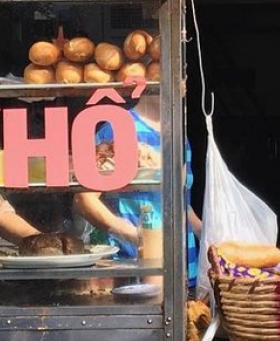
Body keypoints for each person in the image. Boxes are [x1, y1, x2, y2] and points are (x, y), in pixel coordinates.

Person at [72, 89, 202, 287]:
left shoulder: (178, 136)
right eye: (176, 76)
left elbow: (180, 199)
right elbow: (84, 200)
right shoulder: (117, 129)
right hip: (135, 273)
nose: (183, 83)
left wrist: (205, 232)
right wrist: (133, 236)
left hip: (185, 270)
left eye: (184, 77)